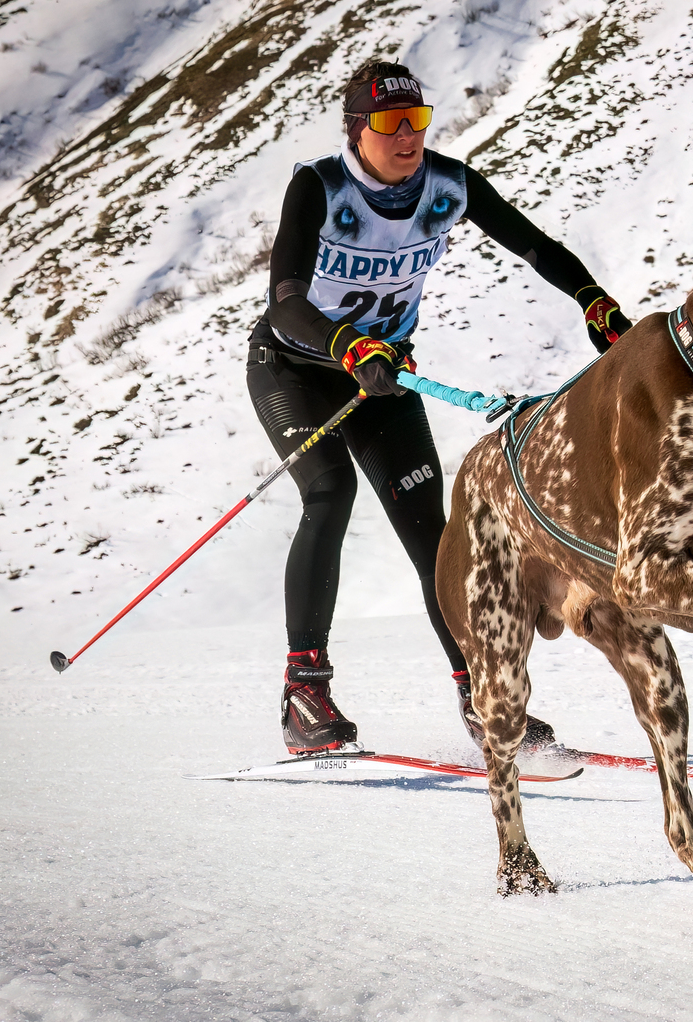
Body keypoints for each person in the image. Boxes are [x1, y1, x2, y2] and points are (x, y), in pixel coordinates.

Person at [247, 59, 631, 754]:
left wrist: (591, 299)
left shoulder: (447, 185)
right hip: (297, 367)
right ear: (358, 131)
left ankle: (482, 696)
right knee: (328, 494)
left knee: (438, 537)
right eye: (392, 124)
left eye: (418, 121)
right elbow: (285, 304)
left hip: (383, 378)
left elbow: (535, 247)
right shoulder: (320, 186)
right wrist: (345, 346)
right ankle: (304, 693)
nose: (409, 138)